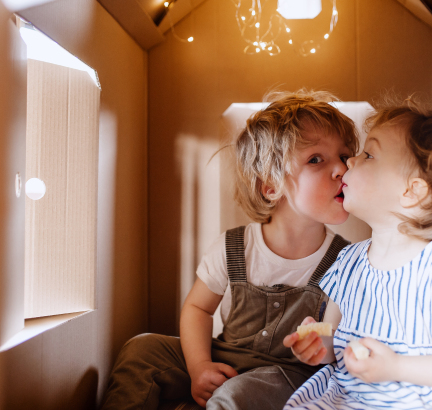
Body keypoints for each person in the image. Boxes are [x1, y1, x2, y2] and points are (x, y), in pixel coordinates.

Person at [100, 90, 359, 410]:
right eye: (316, 159)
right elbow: (198, 309)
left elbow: (336, 329)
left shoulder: (346, 260)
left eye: (346, 156)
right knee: (142, 350)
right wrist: (199, 367)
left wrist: (319, 340)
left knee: (236, 395)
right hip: (225, 357)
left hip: (288, 375)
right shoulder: (234, 247)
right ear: (272, 186)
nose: (341, 169)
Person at [283, 97, 432, 409]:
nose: (351, 162)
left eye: (369, 154)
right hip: (352, 397)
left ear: (411, 192)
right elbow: (333, 336)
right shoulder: (347, 262)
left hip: (422, 399)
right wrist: (315, 339)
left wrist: (396, 367)